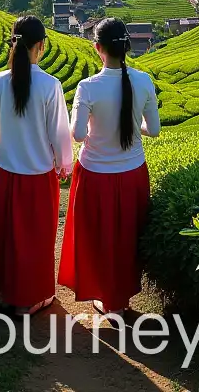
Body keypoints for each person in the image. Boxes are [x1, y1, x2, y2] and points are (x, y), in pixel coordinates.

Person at [58, 16, 161, 314]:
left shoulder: (87, 87)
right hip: (132, 173)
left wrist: (94, 130)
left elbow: (77, 134)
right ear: (127, 46)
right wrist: (130, 124)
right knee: (127, 237)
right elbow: (152, 130)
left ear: (97, 48)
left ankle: (104, 296)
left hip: (95, 173)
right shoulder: (143, 81)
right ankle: (120, 300)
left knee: (98, 237)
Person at [0, 14, 73, 314]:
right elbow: (59, 133)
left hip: (5, 172)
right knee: (35, 241)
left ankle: (10, 295)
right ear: (41, 46)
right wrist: (64, 164)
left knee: (8, 237)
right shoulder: (50, 85)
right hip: (37, 175)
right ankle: (30, 300)